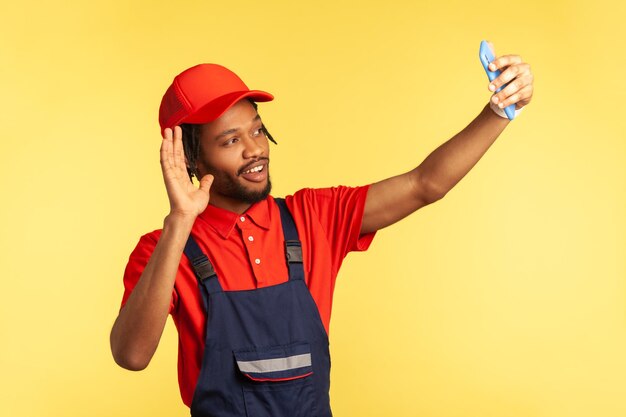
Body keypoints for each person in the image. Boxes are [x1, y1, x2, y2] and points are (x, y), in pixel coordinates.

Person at [110, 50, 534, 417]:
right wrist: (180, 222)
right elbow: (131, 356)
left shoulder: (314, 217)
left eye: (257, 129)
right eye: (230, 140)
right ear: (190, 159)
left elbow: (426, 184)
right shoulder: (163, 249)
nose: (255, 149)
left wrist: (500, 110)